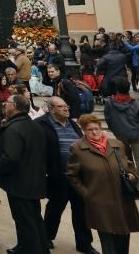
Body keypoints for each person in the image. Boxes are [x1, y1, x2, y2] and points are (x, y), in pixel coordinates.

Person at [66, 114, 139, 254]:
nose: (95, 132)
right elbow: (72, 175)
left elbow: (129, 164)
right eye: (90, 130)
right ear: (83, 131)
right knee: (108, 241)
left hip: (122, 199)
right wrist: (87, 194)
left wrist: (133, 175)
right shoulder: (77, 148)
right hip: (100, 203)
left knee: (124, 236)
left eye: (97, 128)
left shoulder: (116, 145)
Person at [35, 97, 95, 254]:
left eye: (66, 106)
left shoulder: (72, 124)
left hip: (77, 176)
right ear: (51, 109)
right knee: (55, 209)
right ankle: (46, 237)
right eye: (61, 107)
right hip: (57, 176)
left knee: (81, 210)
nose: (66, 109)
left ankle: (84, 244)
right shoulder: (41, 124)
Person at [0, 94, 49, 254]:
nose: (4, 104)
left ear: (14, 106)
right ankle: (28, 248)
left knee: (26, 222)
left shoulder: (14, 128)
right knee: (34, 219)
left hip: (20, 182)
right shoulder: (34, 125)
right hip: (34, 180)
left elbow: (11, 156)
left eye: (7, 103)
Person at [103, 78, 139, 193]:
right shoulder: (137, 103)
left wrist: (114, 129)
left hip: (120, 133)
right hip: (136, 133)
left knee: (126, 159)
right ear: (128, 88)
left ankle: (130, 182)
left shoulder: (109, 102)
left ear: (117, 89)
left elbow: (108, 118)